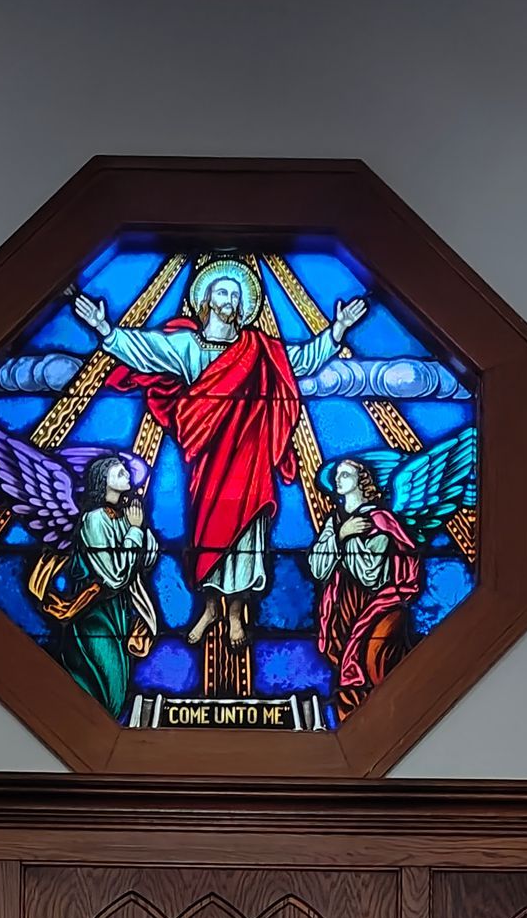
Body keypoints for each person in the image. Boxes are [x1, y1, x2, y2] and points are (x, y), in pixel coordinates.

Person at [71, 259, 366, 651]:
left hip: (250, 461)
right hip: (207, 460)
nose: (229, 299)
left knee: (248, 536)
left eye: (235, 294)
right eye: (221, 292)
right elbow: (146, 350)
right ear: (205, 300)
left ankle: (233, 615)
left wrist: (337, 331)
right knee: (207, 534)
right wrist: (105, 330)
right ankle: (209, 608)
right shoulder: (187, 345)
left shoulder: (261, 348)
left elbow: (301, 361)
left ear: (244, 305)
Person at [47, 454, 159, 718]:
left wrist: (139, 529)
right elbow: (115, 576)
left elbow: (147, 561)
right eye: (118, 471)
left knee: (118, 679)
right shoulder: (94, 520)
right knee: (101, 678)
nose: (126, 474)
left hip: (119, 614)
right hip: (94, 616)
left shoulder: (123, 517)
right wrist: (134, 532)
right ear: (102, 481)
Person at [309, 455, 421, 715]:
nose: (338, 479)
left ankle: (379, 715)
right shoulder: (334, 522)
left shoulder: (380, 519)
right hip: (340, 607)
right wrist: (341, 534)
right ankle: (350, 715)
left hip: (373, 606)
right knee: (346, 664)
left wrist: (347, 540)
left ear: (362, 481)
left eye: (345, 475)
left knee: (370, 662)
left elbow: (370, 574)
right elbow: (317, 568)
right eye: (337, 475)